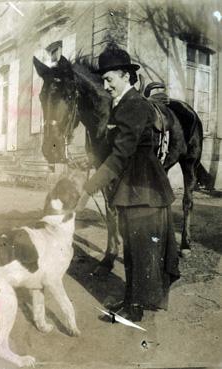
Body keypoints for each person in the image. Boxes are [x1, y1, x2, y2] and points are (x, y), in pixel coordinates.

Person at [76, 43, 180, 322]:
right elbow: (116, 148)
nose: (106, 86)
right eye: (103, 81)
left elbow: (122, 154)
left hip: (142, 188)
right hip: (136, 186)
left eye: (109, 80)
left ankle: (134, 307)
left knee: (140, 249)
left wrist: (89, 187)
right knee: (135, 249)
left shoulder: (133, 105)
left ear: (125, 76)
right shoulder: (123, 104)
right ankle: (133, 303)